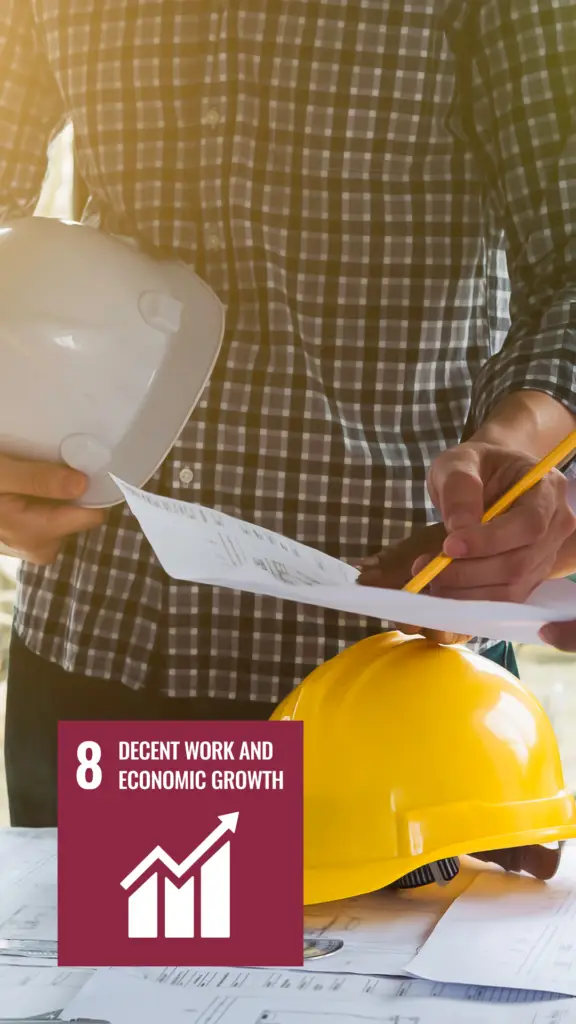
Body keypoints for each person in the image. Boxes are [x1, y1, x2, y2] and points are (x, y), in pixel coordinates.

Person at [2, 0, 576, 833]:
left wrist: (519, 447)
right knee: (145, 959)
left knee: (395, 968)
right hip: (112, 631)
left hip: (396, 660)